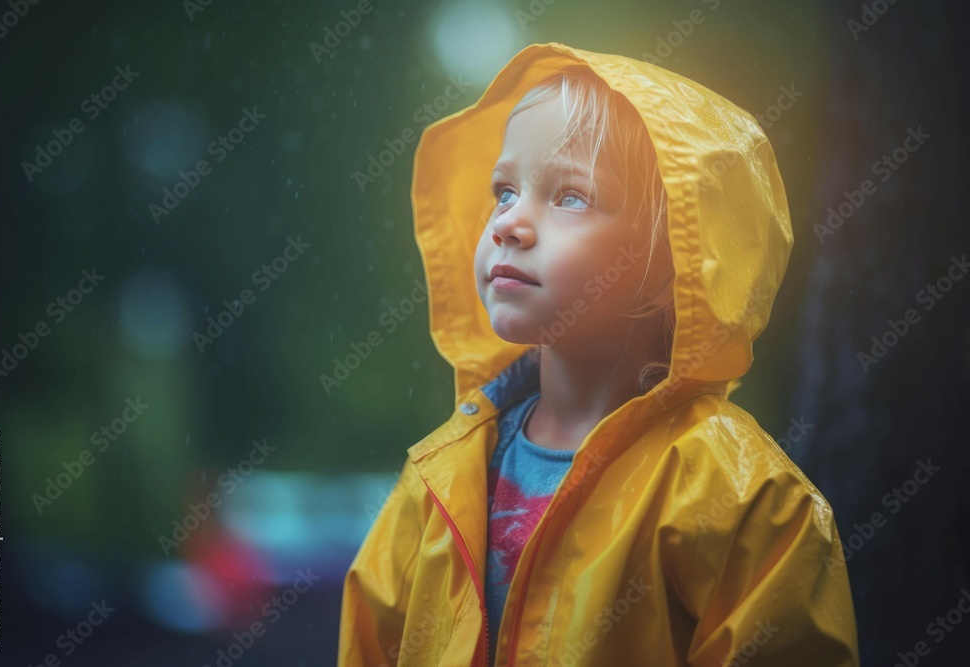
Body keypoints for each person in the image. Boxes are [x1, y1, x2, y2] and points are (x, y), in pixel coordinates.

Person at [338, 42, 859, 666]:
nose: (508, 223)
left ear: (677, 262)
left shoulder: (742, 499)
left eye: (570, 197)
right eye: (504, 191)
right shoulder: (443, 474)